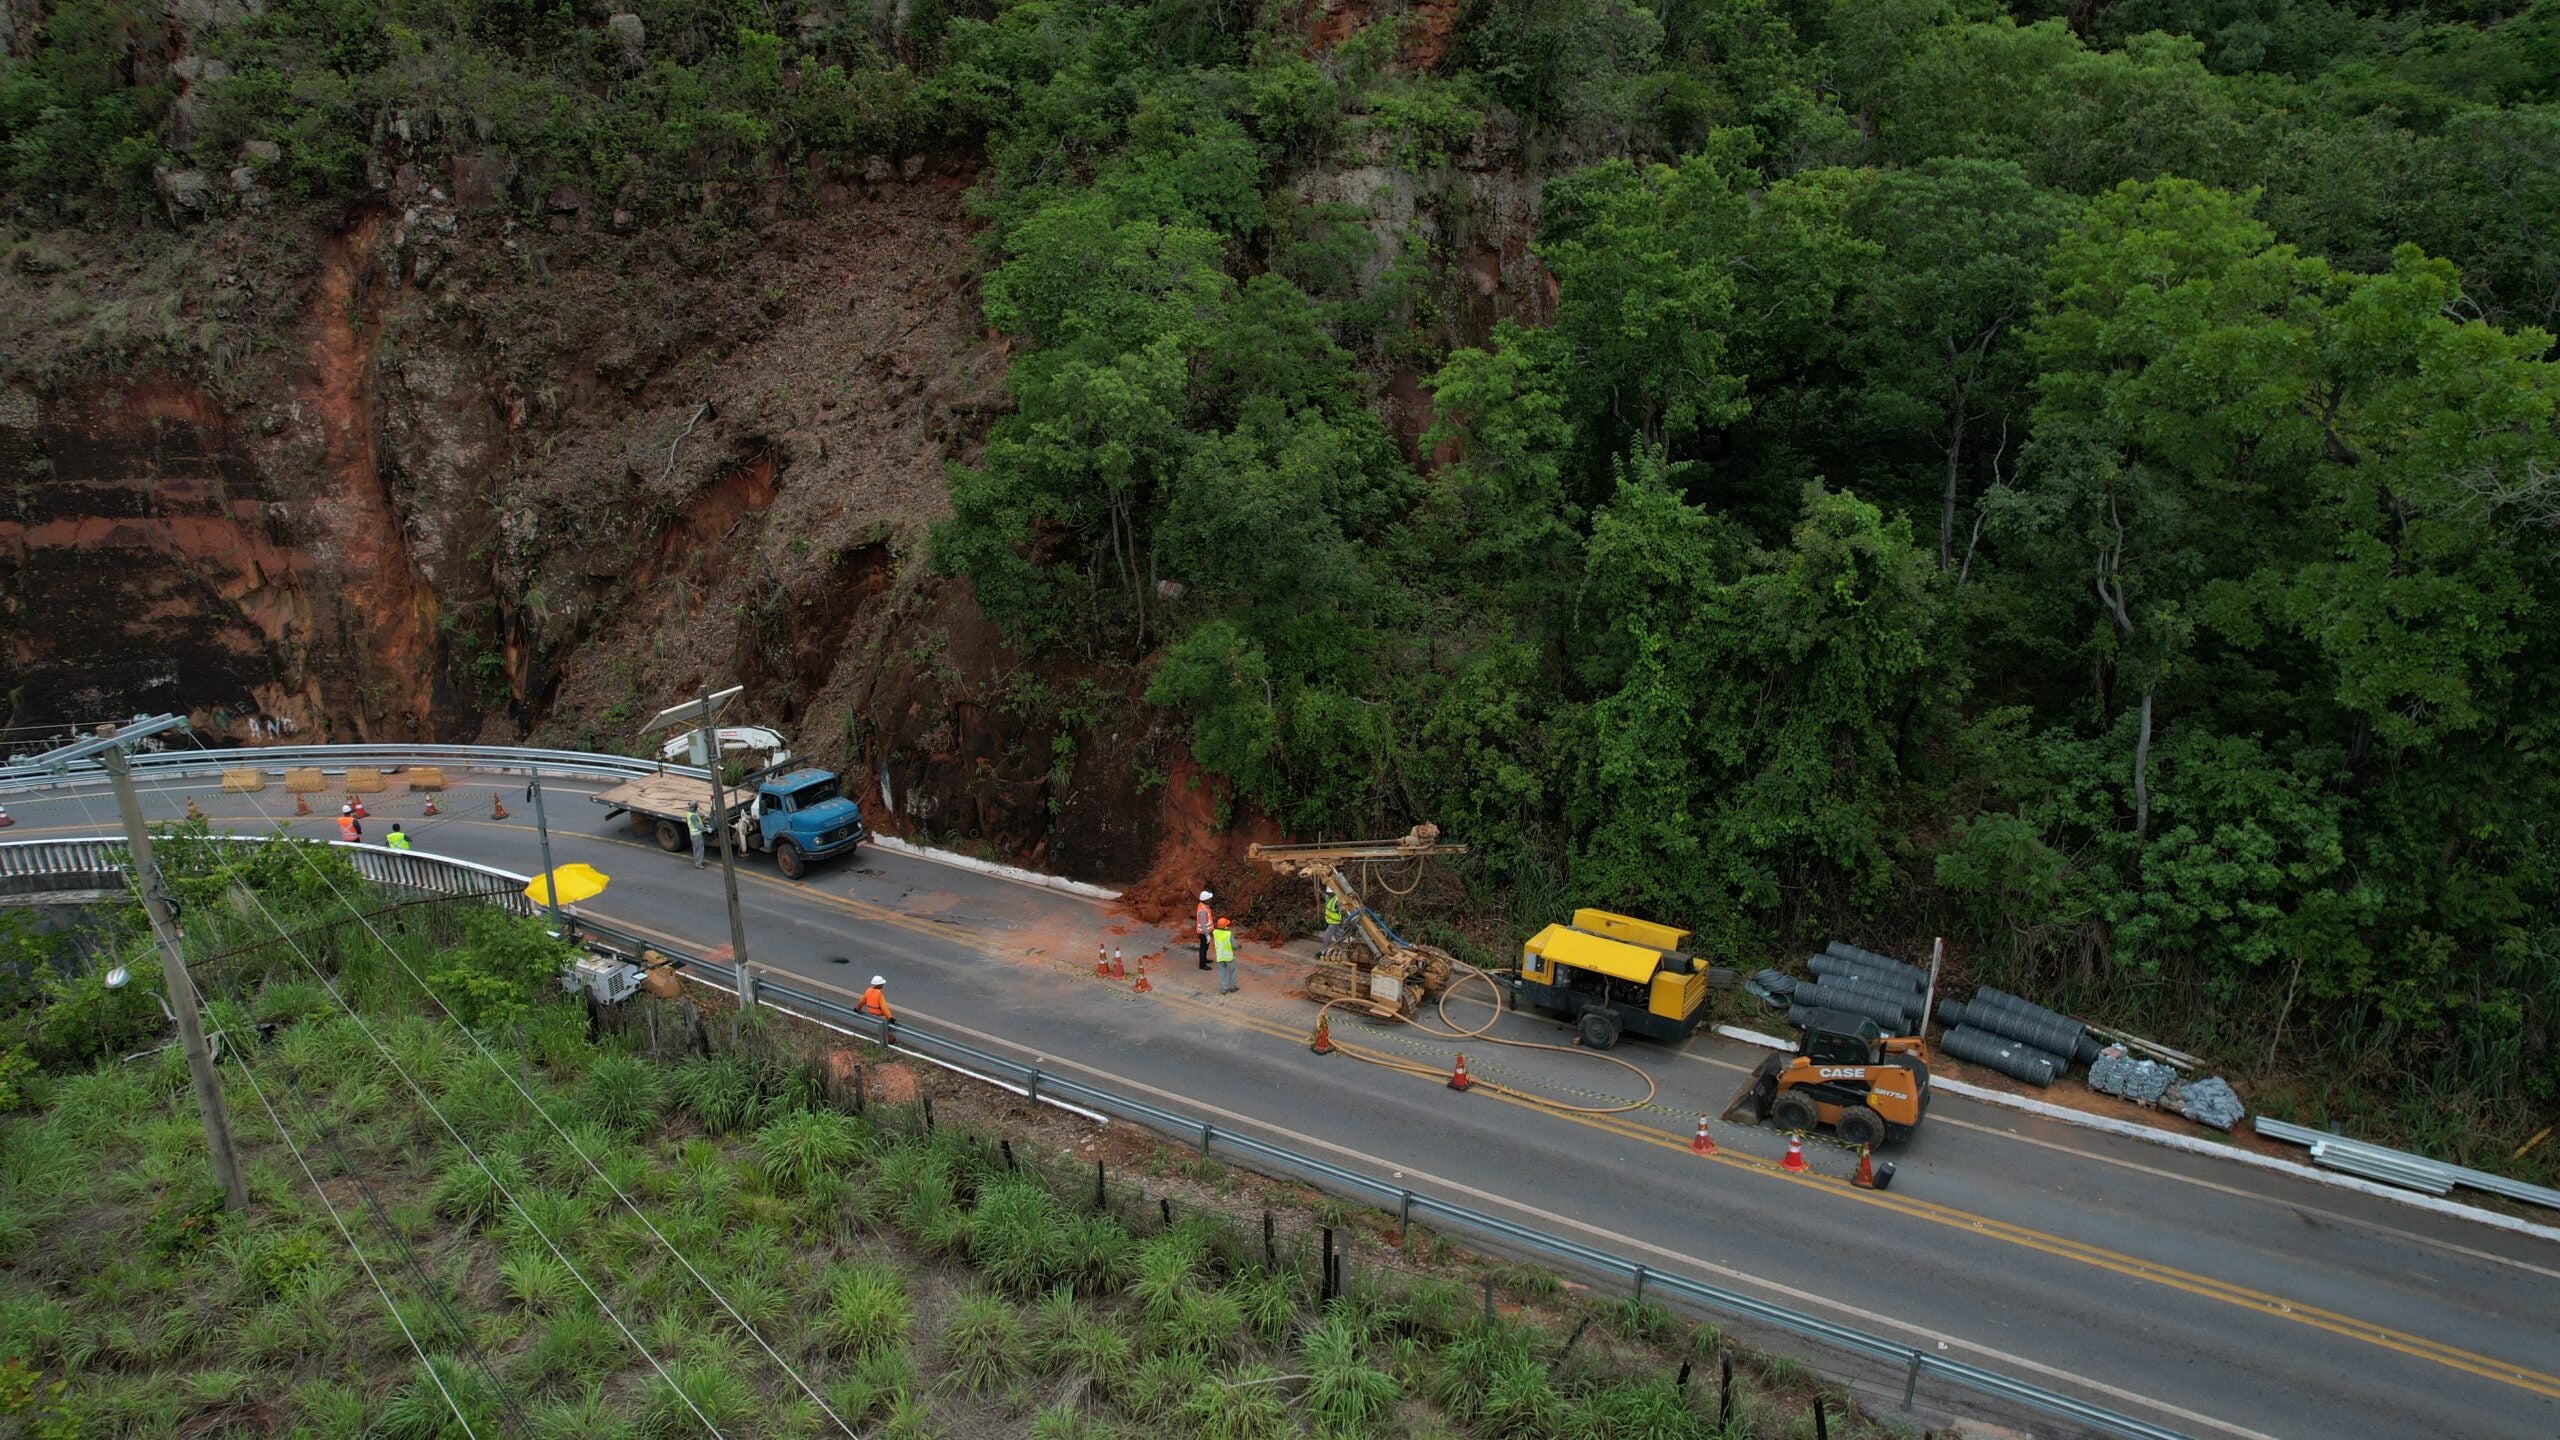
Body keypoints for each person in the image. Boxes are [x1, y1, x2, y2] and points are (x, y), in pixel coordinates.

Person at [1213, 916, 1238, 994]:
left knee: (1222, 972)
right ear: (1226, 926)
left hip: (1220, 956)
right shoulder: (1228, 934)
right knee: (1232, 971)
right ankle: (1233, 987)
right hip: (1228, 956)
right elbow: (1234, 946)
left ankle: (1223, 989)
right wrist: (1237, 947)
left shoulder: (1215, 933)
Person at [1195, 889, 1214, 969]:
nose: (1210, 899)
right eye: (1209, 898)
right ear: (1205, 900)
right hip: (1203, 932)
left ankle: (1204, 959)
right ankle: (1202, 964)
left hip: (1205, 931)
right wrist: (1207, 935)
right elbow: (1203, 924)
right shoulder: (1203, 910)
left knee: (1205, 947)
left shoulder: (1204, 906)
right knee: (1203, 948)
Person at [686, 800, 708, 868]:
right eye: (697, 806)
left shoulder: (689, 813)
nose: (697, 808)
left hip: (693, 834)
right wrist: (706, 829)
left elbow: (696, 816)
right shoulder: (693, 816)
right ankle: (698, 864)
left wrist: (703, 816)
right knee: (699, 849)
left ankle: (698, 861)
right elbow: (697, 825)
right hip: (697, 835)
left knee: (696, 849)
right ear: (695, 807)